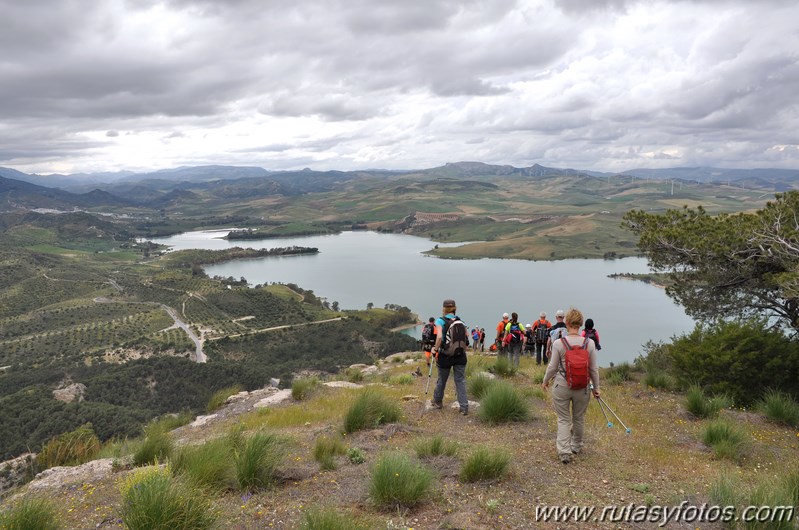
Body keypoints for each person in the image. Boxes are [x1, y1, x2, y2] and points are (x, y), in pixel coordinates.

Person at [542, 307, 600, 464]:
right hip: (583, 386)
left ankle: (564, 452)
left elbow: (552, 367)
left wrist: (545, 380)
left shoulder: (559, 344)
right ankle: (576, 446)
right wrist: (597, 388)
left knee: (563, 419)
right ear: (580, 324)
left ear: (566, 323)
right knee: (579, 417)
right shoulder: (590, 344)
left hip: (562, 385)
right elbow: (593, 369)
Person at [431, 299, 469, 415]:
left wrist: (435, 349)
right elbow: (466, 339)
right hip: (460, 356)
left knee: (442, 380)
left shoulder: (440, 321)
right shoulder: (460, 321)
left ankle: (438, 401)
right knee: (460, 381)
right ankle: (464, 407)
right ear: (454, 308)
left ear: (444, 309)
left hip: (445, 356)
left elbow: (439, 337)